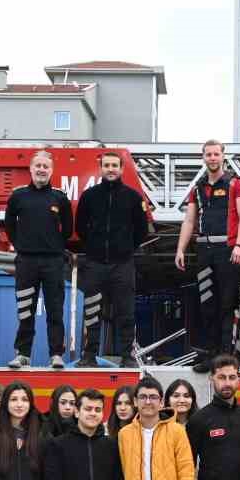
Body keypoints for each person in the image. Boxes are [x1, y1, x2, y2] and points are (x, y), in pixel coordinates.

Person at [174, 139, 240, 371]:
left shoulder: (236, 184)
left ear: (223, 156)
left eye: (216, 154)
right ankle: (211, 354)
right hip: (204, 251)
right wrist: (180, 248)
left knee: (226, 305)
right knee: (206, 303)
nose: (212, 158)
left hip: (228, 251)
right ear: (203, 157)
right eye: (208, 154)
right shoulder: (197, 188)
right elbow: (189, 220)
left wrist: (239, 245)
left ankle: (226, 357)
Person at [75, 151, 149, 367]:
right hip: (95, 263)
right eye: (106, 165)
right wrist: (93, 248)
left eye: (114, 165)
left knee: (125, 312)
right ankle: (89, 355)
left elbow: (141, 231)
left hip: (122, 264)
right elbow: (80, 227)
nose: (110, 169)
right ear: (100, 168)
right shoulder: (89, 196)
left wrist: (125, 248)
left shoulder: (133, 198)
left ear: (121, 169)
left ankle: (127, 356)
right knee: (92, 311)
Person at [6, 150, 75, 370]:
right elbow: (9, 224)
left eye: (46, 166)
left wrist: (54, 245)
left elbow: (68, 229)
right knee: (26, 310)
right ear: (31, 169)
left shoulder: (59, 197)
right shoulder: (18, 196)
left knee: (55, 310)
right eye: (38, 166)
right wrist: (21, 244)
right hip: (26, 262)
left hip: (53, 262)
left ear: (51, 170)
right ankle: (23, 354)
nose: (41, 170)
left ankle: (56, 355)